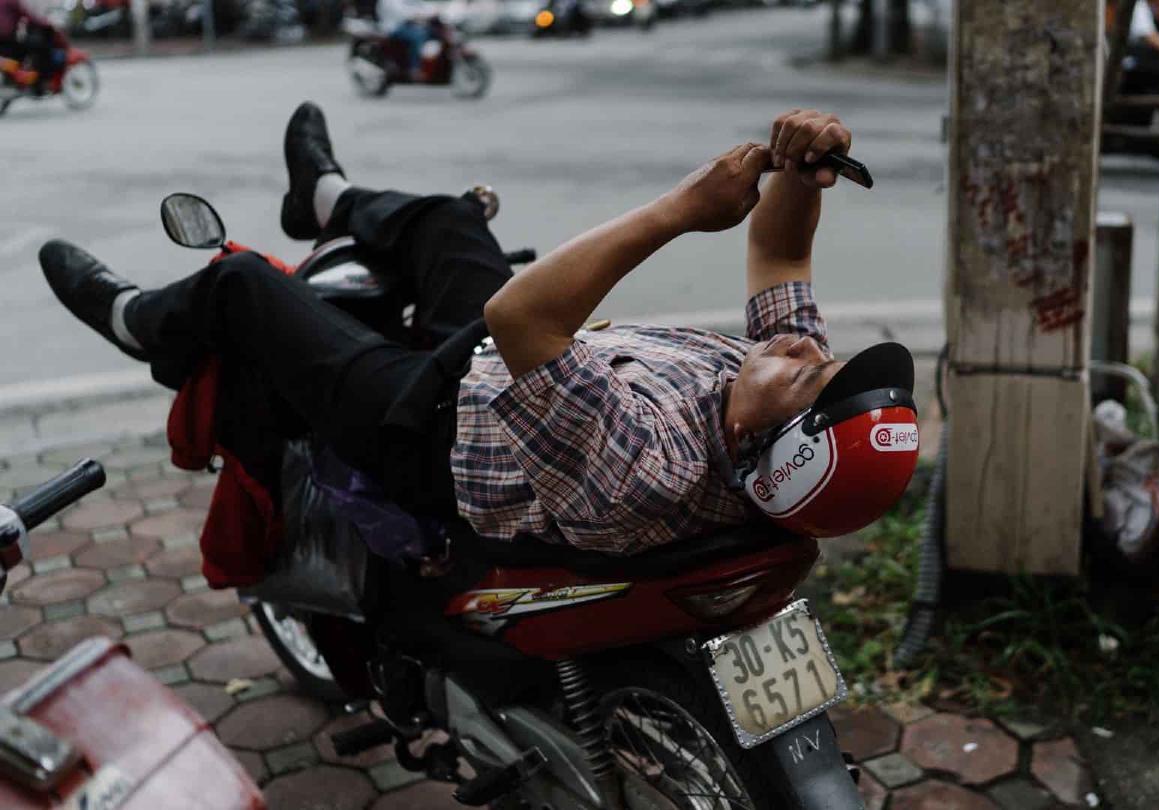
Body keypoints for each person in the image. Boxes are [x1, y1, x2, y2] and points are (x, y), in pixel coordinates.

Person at [40, 102, 915, 556]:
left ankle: (139, 323)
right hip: (502, 370)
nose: (804, 347)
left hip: (430, 425)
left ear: (765, 446)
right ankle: (328, 201)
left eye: (807, 377)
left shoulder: (657, 469)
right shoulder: (771, 405)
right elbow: (783, 260)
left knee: (238, 281)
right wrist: (805, 168)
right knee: (454, 220)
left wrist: (685, 208)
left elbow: (521, 315)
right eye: (822, 355)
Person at [0, 0, 55, 96]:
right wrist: (44, 23)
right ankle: (37, 83)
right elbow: (27, 15)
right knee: (39, 49)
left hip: (6, 42)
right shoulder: (12, 2)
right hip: (6, 40)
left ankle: (20, 79)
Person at [376, 0, 432, 78]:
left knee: (432, 31)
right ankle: (414, 68)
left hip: (410, 26)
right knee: (417, 36)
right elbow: (403, 15)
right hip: (393, 28)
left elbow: (426, 8)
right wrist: (418, 17)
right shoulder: (388, 1)